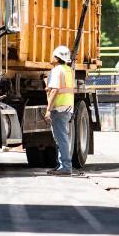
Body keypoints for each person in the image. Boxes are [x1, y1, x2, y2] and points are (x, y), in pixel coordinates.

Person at [44, 45, 75, 176]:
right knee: (61, 137)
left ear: (57, 58)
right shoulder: (69, 70)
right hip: (68, 107)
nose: (51, 57)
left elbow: (56, 90)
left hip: (59, 108)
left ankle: (65, 167)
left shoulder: (56, 70)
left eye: (53, 55)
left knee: (61, 138)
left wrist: (48, 110)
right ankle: (62, 165)